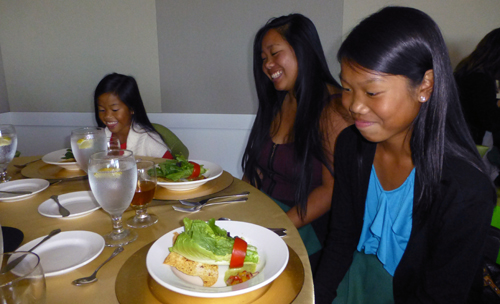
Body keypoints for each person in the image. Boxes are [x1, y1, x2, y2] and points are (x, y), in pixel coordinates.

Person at [314, 6, 495, 304]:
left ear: (424, 85)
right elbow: (341, 238)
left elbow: (441, 295)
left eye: (371, 92)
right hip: (358, 276)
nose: (354, 106)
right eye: (347, 88)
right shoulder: (352, 145)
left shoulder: (465, 189)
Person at [241, 14, 352, 272]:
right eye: (263, 58)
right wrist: (238, 206)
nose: (268, 64)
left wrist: (274, 227)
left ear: (302, 50)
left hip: (307, 231)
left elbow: (330, 190)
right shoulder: (279, 100)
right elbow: (257, 168)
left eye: (275, 53)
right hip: (266, 216)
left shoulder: (332, 108)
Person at [94, 73, 189, 158]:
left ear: (132, 108)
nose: (107, 116)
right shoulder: (99, 139)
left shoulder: (148, 140)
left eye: (114, 110)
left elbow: (170, 169)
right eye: (101, 110)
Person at [455, 28, 500, 148]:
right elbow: (489, 121)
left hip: (459, 142)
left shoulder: (465, 72)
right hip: (471, 145)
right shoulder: (480, 80)